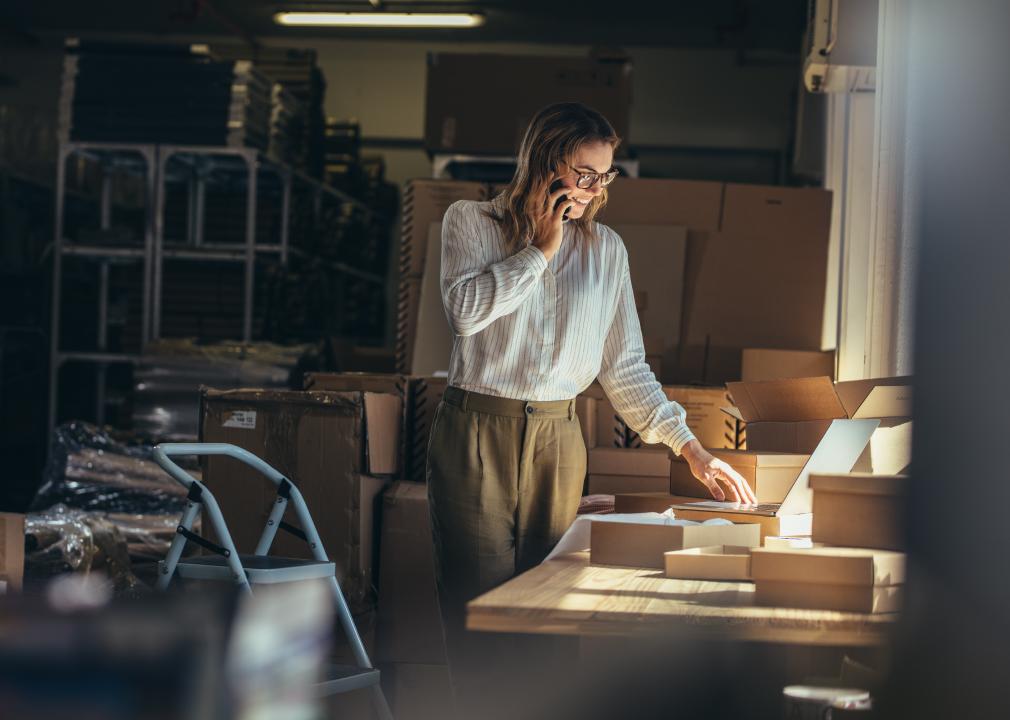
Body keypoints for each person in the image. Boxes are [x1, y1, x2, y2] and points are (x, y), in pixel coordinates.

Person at [425, 102, 756, 717]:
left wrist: (694, 449)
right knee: (478, 607)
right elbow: (465, 314)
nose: (594, 188)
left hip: (558, 437)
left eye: (605, 176)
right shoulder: (471, 220)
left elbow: (624, 367)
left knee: (551, 608)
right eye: (584, 172)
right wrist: (541, 251)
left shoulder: (606, 251)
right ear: (545, 161)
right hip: (476, 430)